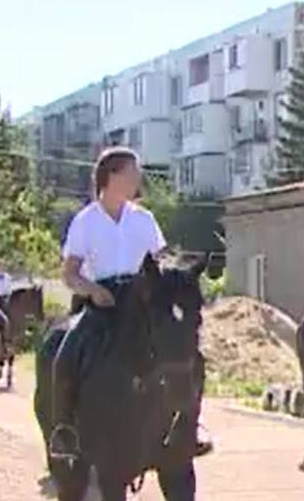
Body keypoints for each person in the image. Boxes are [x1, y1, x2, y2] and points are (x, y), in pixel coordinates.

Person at [46, 147, 211, 461]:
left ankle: (190, 424)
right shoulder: (86, 221)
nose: (138, 179)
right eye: (133, 173)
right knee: (65, 353)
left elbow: (162, 260)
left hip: (145, 301)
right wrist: (92, 290)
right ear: (112, 176)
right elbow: (69, 273)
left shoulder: (144, 219)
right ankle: (65, 429)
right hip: (102, 302)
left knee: (189, 354)